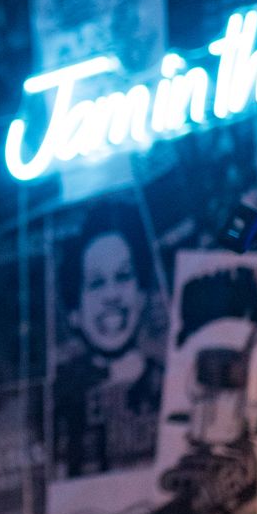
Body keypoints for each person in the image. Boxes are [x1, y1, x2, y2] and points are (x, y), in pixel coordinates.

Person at [52, 204, 163, 477]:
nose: (112, 295)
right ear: (75, 311)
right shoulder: (59, 401)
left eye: (123, 276)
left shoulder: (167, 382)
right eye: (96, 283)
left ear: (142, 293)